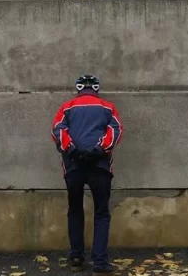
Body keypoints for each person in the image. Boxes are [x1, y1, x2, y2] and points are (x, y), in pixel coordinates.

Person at [51, 74, 123, 273]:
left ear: (78, 89)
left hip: (74, 166)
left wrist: (73, 151)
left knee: (75, 210)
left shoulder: (66, 107)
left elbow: (57, 130)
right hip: (100, 166)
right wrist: (99, 151)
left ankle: (76, 258)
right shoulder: (108, 108)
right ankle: (100, 262)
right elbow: (116, 131)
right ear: (97, 89)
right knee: (101, 212)